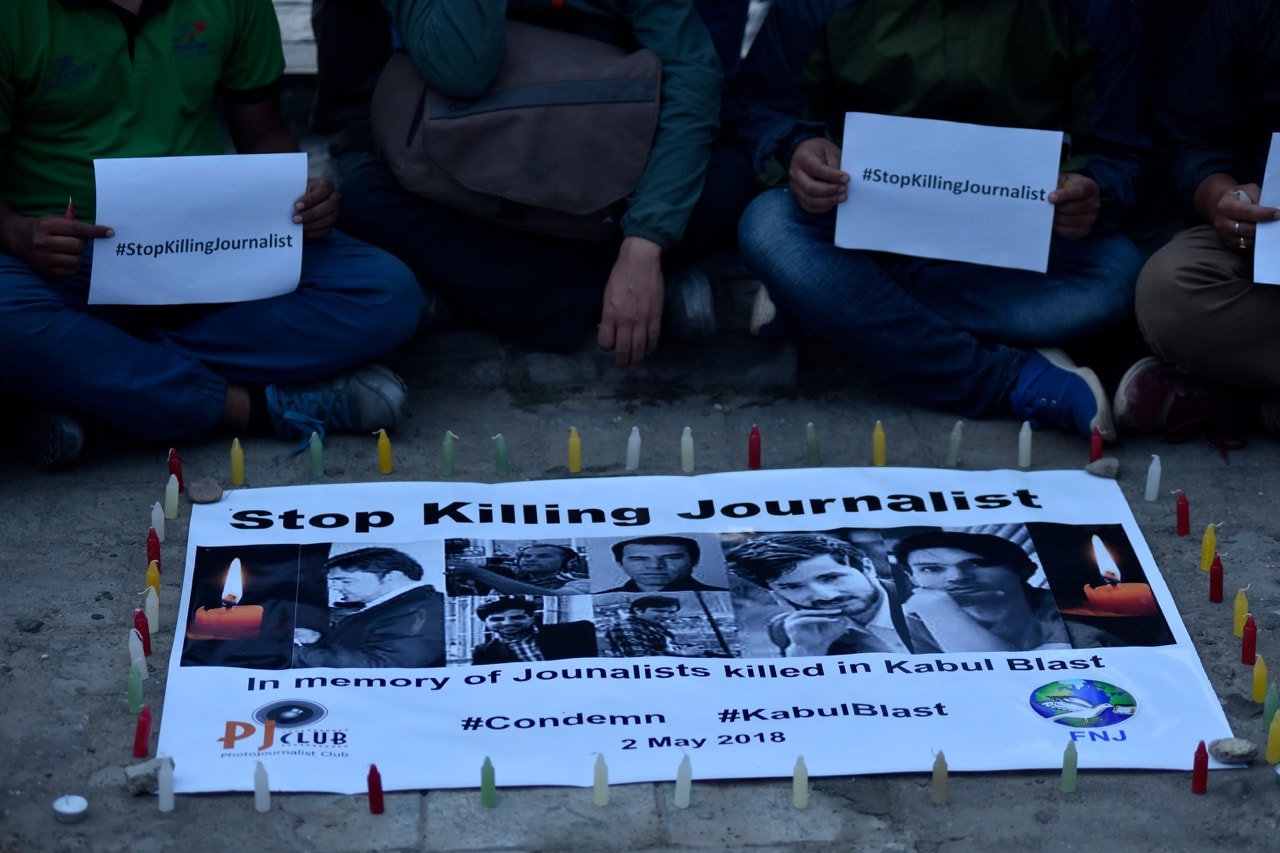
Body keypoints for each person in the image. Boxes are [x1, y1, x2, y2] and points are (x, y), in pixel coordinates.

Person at [0, 0, 419, 469]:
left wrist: (300, 195)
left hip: (208, 248)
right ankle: (249, 409)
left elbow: (263, 133)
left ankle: (90, 382)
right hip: (64, 263)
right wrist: (18, 233)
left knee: (386, 293)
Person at [725, 0, 1149, 441]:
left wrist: (1094, 192)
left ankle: (827, 301)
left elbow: (1122, 147)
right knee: (770, 227)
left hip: (1011, 242)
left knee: (1117, 276)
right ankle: (1006, 381)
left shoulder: (1093, 11)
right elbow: (761, 107)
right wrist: (797, 150)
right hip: (856, 221)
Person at [314, 0, 753, 366]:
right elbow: (460, 67)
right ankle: (607, 299)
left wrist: (644, 243)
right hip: (450, 161)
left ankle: (465, 293)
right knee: (362, 198)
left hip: (596, 167)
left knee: (726, 181)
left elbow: (692, 82)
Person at [1117, 0, 1280, 442]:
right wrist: (1224, 198)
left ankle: (1247, 405)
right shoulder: (1252, 12)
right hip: (1269, 246)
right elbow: (1190, 133)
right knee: (1168, 289)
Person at [724, 532, 911, 656]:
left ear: (867, 568)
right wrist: (807, 650)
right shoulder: (791, 629)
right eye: (792, 587)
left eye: (831, 578)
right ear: (777, 595)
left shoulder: (924, 601)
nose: (825, 596)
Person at [892, 531, 1070, 653]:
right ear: (912, 578)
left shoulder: (1069, 609)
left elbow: (1010, 674)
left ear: (1021, 569)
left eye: (977, 564)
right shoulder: (911, 625)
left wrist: (941, 612)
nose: (957, 577)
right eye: (931, 569)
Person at [293, 547, 445, 668]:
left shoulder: (423, 608)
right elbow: (367, 645)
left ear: (392, 577)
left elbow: (383, 666)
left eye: (345, 581)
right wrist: (317, 641)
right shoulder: (402, 605)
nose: (335, 588)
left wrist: (292, 653)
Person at [470, 597, 597, 664]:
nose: (508, 623)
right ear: (485, 623)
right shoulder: (483, 652)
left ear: (532, 618)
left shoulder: (576, 630)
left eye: (517, 617)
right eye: (496, 619)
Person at [448, 543, 591, 596]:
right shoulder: (508, 576)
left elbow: (552, 595)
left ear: (568, 563)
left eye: (544, 556)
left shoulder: (582, 583)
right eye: (526, 556)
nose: (530, 559)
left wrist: (478, 573)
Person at [600, 536, 727, 593]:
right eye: (639, 558)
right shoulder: (600, 598)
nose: (655, 566)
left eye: (671, 557)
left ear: (694, 560)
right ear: (619, 564)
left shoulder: (728, 595)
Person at [603, 595, 708, 658]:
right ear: (638, 610)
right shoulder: (626, 626)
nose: (666, 616)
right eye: (659, 611)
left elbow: (664, 647)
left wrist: (686, 647)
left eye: (671, 612)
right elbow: (639, 658)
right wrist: (683, 653)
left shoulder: (651, 625)